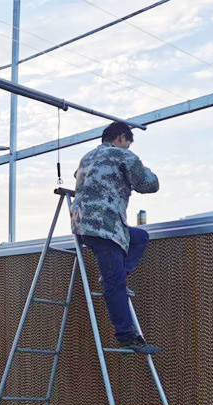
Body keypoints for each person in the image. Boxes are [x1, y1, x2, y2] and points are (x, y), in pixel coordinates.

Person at [70, 121, 160, 354]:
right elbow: (149, 184)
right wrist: (143, 168)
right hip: (106, 228)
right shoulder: (122, 156)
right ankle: (126, 335)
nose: (127, 147)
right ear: (121, 138)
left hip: (82, 226)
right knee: (116, 283)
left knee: (139, 237)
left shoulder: (86, 158)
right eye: (127, 143)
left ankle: (119, 270)